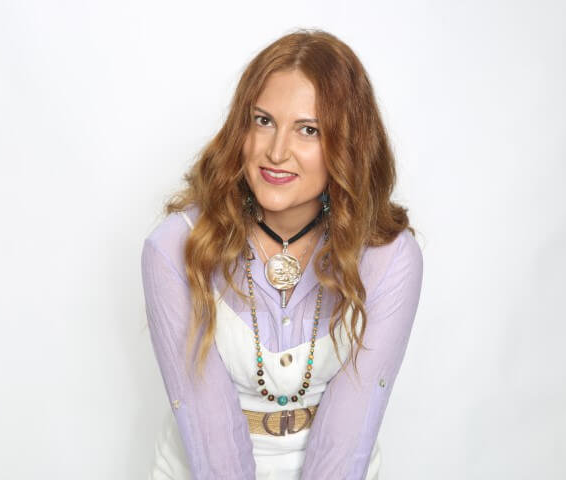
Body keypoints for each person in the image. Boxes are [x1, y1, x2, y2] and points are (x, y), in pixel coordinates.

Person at [141, 29, 424, 480]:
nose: (276, 151)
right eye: (263, 121)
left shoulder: (387, 256)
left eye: (308, 130)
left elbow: (347, 436)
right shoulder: (176, 247)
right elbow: (210, 432)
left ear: (349, 142)